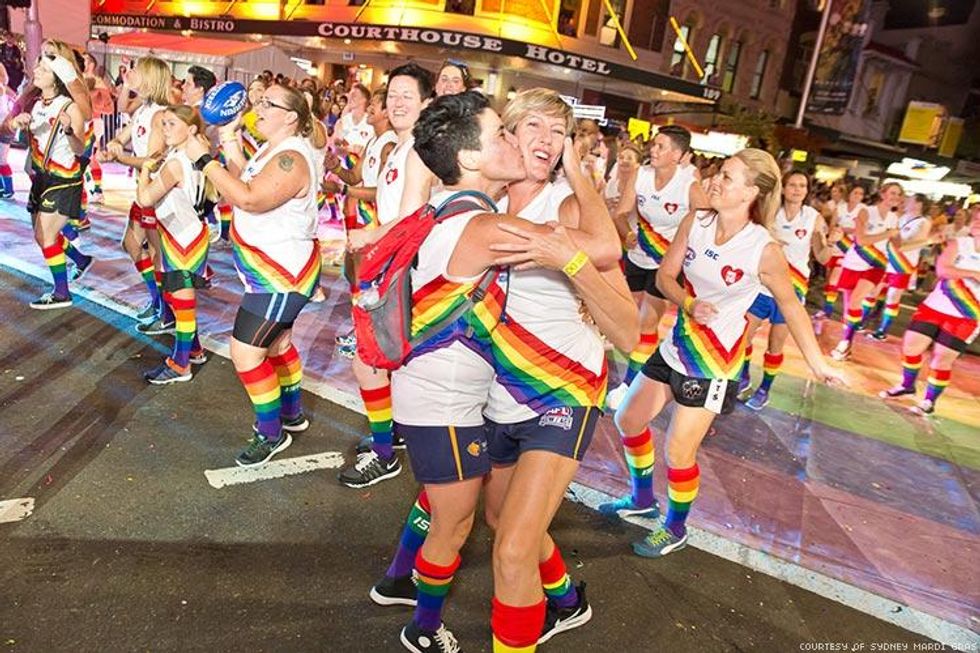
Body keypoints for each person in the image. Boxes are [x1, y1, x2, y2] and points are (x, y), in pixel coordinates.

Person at [602, 149, 840, 557]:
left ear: (752, 191)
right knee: (628, 418)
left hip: (714, 364)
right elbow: (665, 276)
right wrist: (690, 305)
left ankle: (675, 527)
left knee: (679, 451)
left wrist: (818, 363)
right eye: (718, 173)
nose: (714, 180)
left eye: (727, 177)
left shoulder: (763, 249)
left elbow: (791, 306)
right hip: (676, 345)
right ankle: (642, 500)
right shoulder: (695, 221)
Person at [185, 83, 320, 467]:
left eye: (268, 104)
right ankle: (292, 414)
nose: (257, 107)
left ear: (291, 117)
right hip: (277, 270)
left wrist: (202, 159)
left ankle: (270, 432)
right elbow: (247, 180)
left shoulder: (291, 157)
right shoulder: (275, 149)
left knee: (245, 353)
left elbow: (248, 198)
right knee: (277, 346)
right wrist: (228, 143)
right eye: (259, 101)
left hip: (281, 275)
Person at [337, 63, 434, 488]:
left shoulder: (419, 149)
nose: (396, 102)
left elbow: (411, 219)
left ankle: (383, 452)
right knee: (385, 362)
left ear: (426, 104)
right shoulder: (400, 145)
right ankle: (390, 434)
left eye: (406, 96)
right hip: (396, 265)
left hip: (408, 267)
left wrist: (369, 236)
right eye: (391, 94)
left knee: (368, 362)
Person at [604, 126, 709, 412]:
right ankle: (635, 366)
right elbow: (621, 213)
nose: (654, 149)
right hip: (637, 255)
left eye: (661, 146)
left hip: (666, 265)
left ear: (677, 154)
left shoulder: (690, 185)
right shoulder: (642, 175)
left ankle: (628, 385)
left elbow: (706, 224)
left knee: (646, 323)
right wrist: (626, 233)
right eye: (654, 144)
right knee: (626, 315)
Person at [738, 170, 838, 409]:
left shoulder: (813, 218)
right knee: (743, 336)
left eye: (802, 185)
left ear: (807, 190)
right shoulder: (770, 212)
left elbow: (822, 258)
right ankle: (742, 377)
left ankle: (765, 389)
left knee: (775, 345)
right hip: (762, 285)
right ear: (783, 188)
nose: (797, 189)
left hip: (792, 289)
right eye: (792, 184)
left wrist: (831, 242)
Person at [7, 44, 93, 309]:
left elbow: (79, 150)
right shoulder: (33, 103)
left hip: (64, 180)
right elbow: (9, 130)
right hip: (41, 178)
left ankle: (62, 293)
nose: (36, 70)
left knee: (46, 237)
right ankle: (80, 260)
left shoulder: (70, 106)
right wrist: (15, 122)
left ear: (57, 75)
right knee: (41, 236)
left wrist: (69, 130)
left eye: (43, 68)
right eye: (37, 66)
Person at [135, 105, 212, 384]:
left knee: (182, 302)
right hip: (186, 234)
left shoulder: (177, 163)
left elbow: (145, 198)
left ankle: (180, 364)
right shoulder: (196, 155)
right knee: (177, 298)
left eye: (171, 124)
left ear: (190, 130)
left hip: (183, 238)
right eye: (163, 124)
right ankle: (194, 350)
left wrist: (144, 170)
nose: (164, 129)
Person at [880, 205, 979, 415]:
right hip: (934, 306)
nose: (977, 222)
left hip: (968, 315)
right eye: (976, 219)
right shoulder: (958, 243)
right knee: (910, 347)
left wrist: (958, 272)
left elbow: (952, 270)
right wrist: (972, 273)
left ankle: (929, 401)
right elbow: (943, 269)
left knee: (942, 358)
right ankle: (907, 385)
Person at [100, 56, 171, 332]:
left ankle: (167, 313)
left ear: (150, 78)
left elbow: (152, 160)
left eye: (137, 72)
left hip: (157, 193)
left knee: (157, 256)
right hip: (143, 191)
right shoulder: (145, 107)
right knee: (131, 244)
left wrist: (120, 160)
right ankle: (157, 301)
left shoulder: (160, 115)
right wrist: (115, 145)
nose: (131, 75)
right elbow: (124, 131)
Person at [830, 182, 903, 360]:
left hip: (876, 264)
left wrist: (901, 236)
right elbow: (861, 240)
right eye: (892, 193)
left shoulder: (894, 218)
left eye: (898, 194)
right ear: (882, 193)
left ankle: (845, 343)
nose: (895, 197)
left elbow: (898, 245)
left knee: (856, 300)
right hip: (855, 261)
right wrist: (888, 234)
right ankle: (847, 341)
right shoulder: (866, 211)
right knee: (850, 307)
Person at [869, 193, 935, 340]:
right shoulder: (900, 217)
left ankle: (882, 330)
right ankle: (861, 321)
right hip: (889, 259)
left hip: (903, 264)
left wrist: (895, 240)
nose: (905, 201)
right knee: (874, 290)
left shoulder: (923, 222)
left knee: (893, 297)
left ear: (918, 204)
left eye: (910, 200)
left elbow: (911, 243)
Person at [814, 183, 866, 324]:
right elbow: (832, 226)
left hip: (850, 249)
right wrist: (840, 230)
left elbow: (861, 230)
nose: (858, 196)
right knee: (829, 278)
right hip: (836, 245)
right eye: (855, 193)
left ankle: (830, 311)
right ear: (849, 194)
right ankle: (829, 309)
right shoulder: (840, 208)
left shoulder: (863, 210)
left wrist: (845, 229)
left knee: (835, 280)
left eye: (861, 194)